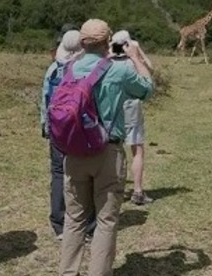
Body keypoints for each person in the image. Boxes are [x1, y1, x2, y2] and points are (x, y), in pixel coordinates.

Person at [58, 19, 154, 276]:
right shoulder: (118, 71)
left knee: (75, 219)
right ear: (108, 41)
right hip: (107, 152)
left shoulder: (67, 69)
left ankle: (68, 272)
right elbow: (147, 90)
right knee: (106, 220)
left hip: (74, 151)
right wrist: (135, 57)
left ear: (82, 42)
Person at [40, 30, 96, 241]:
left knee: (58, 174)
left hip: (58, 131)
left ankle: (59, 223)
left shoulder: (53, 69)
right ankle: (88, 227)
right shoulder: (87, 69)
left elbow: (45, 101)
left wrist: (46, 127)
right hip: (82, 132)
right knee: (87, 176)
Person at [110, 30, 155, 205]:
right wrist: (138, 53)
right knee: (137, 149)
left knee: (114, 149)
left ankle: (114, 189)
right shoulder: (132, 63)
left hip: (113, 110)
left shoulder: (109, 62)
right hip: (132, 108)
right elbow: (150, 70)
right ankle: (137, 190)